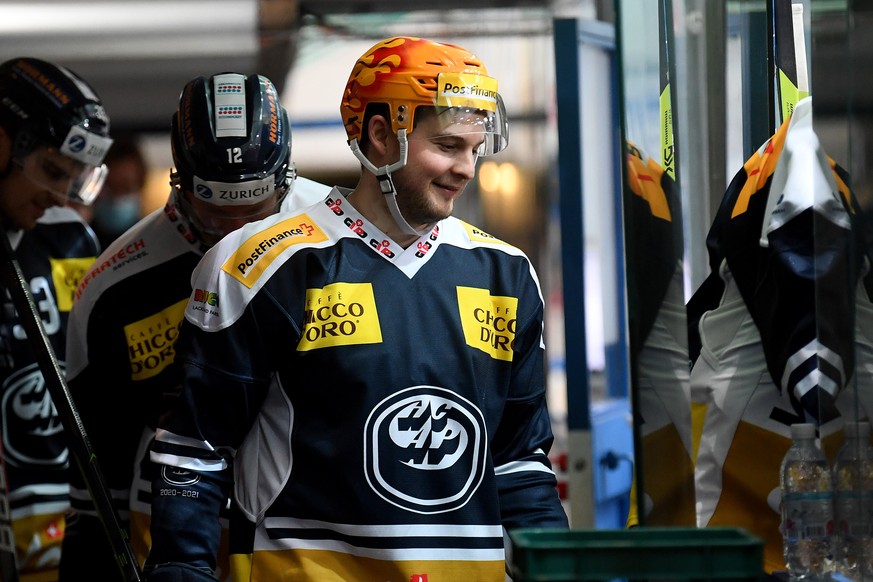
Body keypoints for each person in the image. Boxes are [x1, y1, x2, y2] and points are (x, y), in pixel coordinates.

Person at [143, 36, 568, 582]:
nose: (468, 168)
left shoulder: (506, 273)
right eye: (447, 145)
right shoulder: (258, 263)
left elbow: (520, 460)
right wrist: (181, 570)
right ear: (381, 135)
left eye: (475, 147)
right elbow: (194, 451)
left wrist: (556, 568)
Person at [59, 72, 330, 581]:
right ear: (178, 181)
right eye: (216, 210)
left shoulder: (344, 239)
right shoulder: (111, 286)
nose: (236, 231)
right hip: (168, 536)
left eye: (253, 209)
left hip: (310, 538)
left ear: (284, 179)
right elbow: (97, 480)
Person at [0, 57, 113, 581]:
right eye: (50, 170)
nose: (59, 196)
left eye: (75, 179)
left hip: (61, 508)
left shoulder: (69, 237)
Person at [89, 136, 149, 249]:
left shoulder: (153, 241)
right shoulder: (81, 242)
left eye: (126, 188)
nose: (117, 198)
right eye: (111, 187)